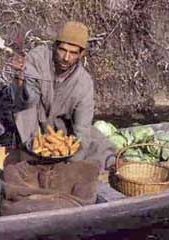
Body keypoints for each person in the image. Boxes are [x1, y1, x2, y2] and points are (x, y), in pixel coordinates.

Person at [9, 21, 114, 169]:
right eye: (62, 50)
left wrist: (70, 162)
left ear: (81, 54)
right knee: (26, 121)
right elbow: (28, 100)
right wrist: (20, 81)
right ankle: (29, 154)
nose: (66, 57)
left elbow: (81, 128)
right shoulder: (37, 58)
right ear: (54, 46)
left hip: (58, 129)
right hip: (32, 116)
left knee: (94, 140)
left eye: (73, 53)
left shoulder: (84, 83)